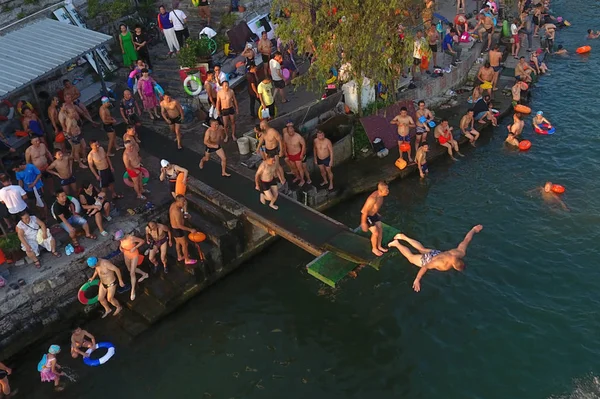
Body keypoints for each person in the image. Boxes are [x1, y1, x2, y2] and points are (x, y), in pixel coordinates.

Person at [387, 225, 484, 292]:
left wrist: (474, 230)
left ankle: (404, 237)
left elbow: (466, 240)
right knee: (411, 257)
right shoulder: (442, 264)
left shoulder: (459, 252)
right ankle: (397, 244)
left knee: (422, 249)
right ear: (454, 266)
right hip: (430, 260)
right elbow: (425, 267)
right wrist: (417, 279)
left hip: (437, 253)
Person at [115, 229, 148, 301]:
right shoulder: (121, 239)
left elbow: (142, 241)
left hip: (134, 254)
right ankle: (144, 274)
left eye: (120, 239)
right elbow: (121, 244)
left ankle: (132, 291)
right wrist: (121, 247)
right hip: (126, 254)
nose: (120, 240)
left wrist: (135, 247)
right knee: (129, 269)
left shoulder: (131, 238)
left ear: (123, 236)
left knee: (132, 273)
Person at [360, 181, 390, 257]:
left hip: (374, 214)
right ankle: (374, 249)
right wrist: (363, 223)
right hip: (367, 216)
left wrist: (376, 213)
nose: (388, 191)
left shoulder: (381, 195)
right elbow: (364, 211)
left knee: (380, 228)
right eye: (386, 190)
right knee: (375, 232)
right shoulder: (372, 199)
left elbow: (376, 207)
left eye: (388, 189)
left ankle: (379, 246)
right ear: (380, 191)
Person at [169, 195, 197, 265]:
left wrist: (185, 215)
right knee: (185, 244)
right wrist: (190, 230)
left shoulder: (173, 205)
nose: (184, 203)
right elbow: (179, 225)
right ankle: (187, 259)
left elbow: (176, 218)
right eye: (183, 202)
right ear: (178, 201)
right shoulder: (176, 212)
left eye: (184, 201)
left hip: (173, 228)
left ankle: (179, 256)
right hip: (178, 230)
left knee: (178, 243)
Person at [283, 120, 308, 186]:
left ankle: (302, 180)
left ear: (294, 130)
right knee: (294, 168)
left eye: (292, 131)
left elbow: (303, 145)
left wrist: (302, 154)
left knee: (300, 168)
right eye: (290, 132)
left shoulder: (298, 137)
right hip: (290, 154)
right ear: (287, 131)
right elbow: (284, 144)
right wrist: (285, 151)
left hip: (297, 154)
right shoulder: (285, 136)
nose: (291, 133)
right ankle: (297, 177)